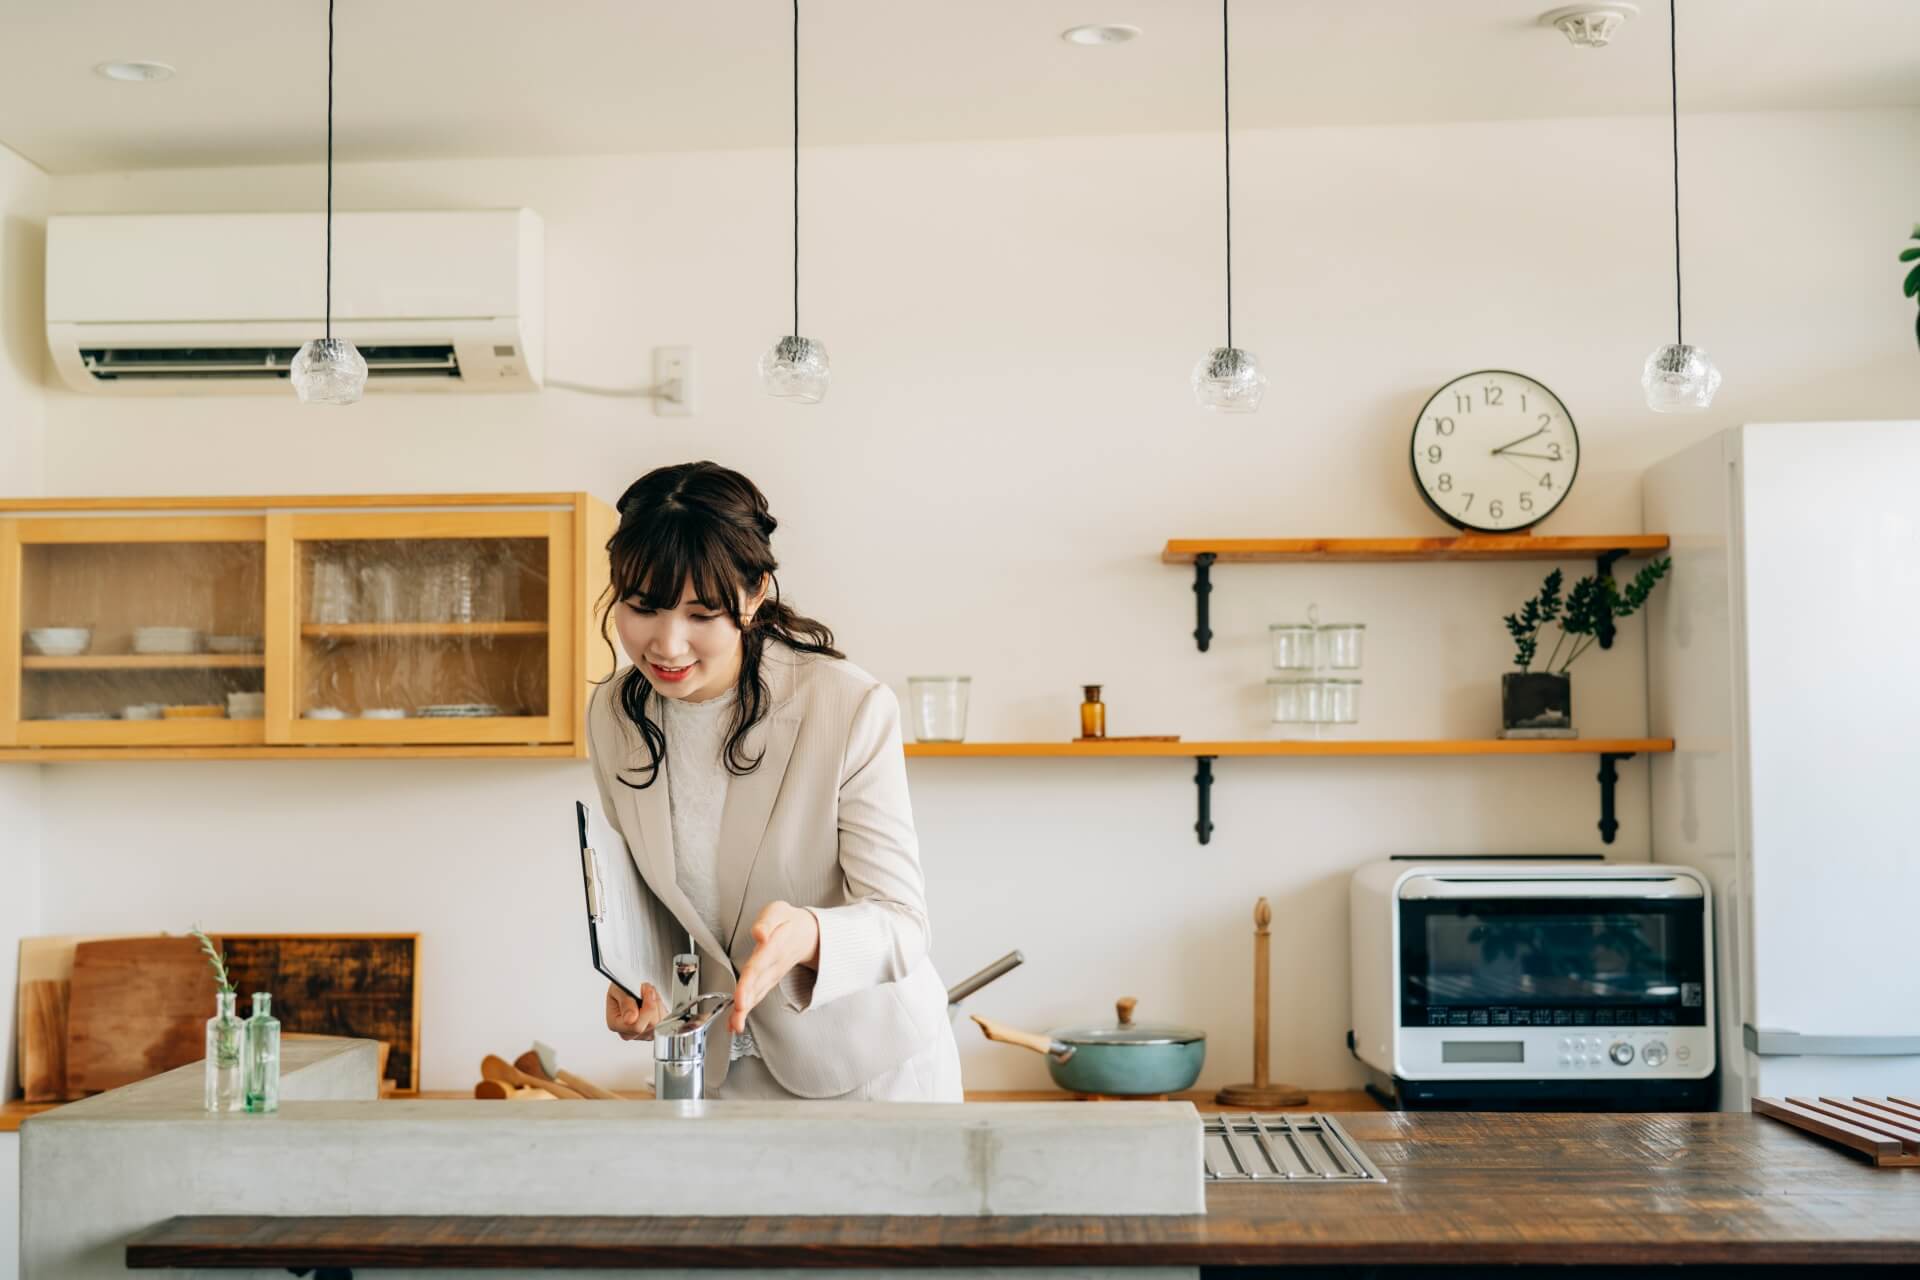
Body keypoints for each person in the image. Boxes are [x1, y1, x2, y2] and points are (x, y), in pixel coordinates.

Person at [587, 460, 962, 1100]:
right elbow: (658, 913)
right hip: (719, 1072)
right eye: (642, 607)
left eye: (702, 614)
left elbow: (903, 923)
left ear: (756, 592)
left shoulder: (846, 705)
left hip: (871, 1075)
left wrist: (813, 935)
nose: (666, 645)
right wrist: (639, 985)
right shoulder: (617, 713)